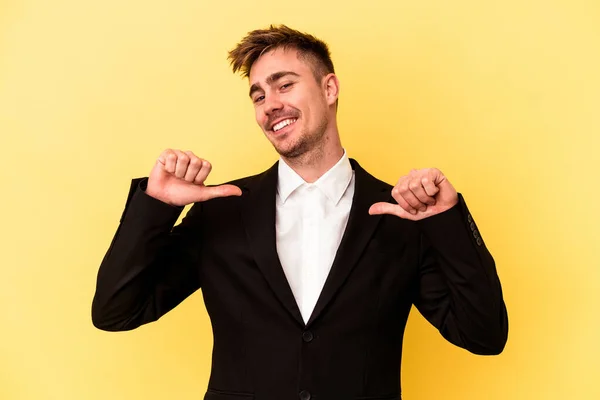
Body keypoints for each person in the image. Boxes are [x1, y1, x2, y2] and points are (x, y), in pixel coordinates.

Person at [92, 24, 508, 400]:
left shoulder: (400, 215)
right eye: (258, 95)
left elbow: (484, 334)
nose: (269, 104)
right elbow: (116, 311)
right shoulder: (221, 212)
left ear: (329, 89)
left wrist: (447, 220)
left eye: (284, 85)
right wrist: (156, 206)